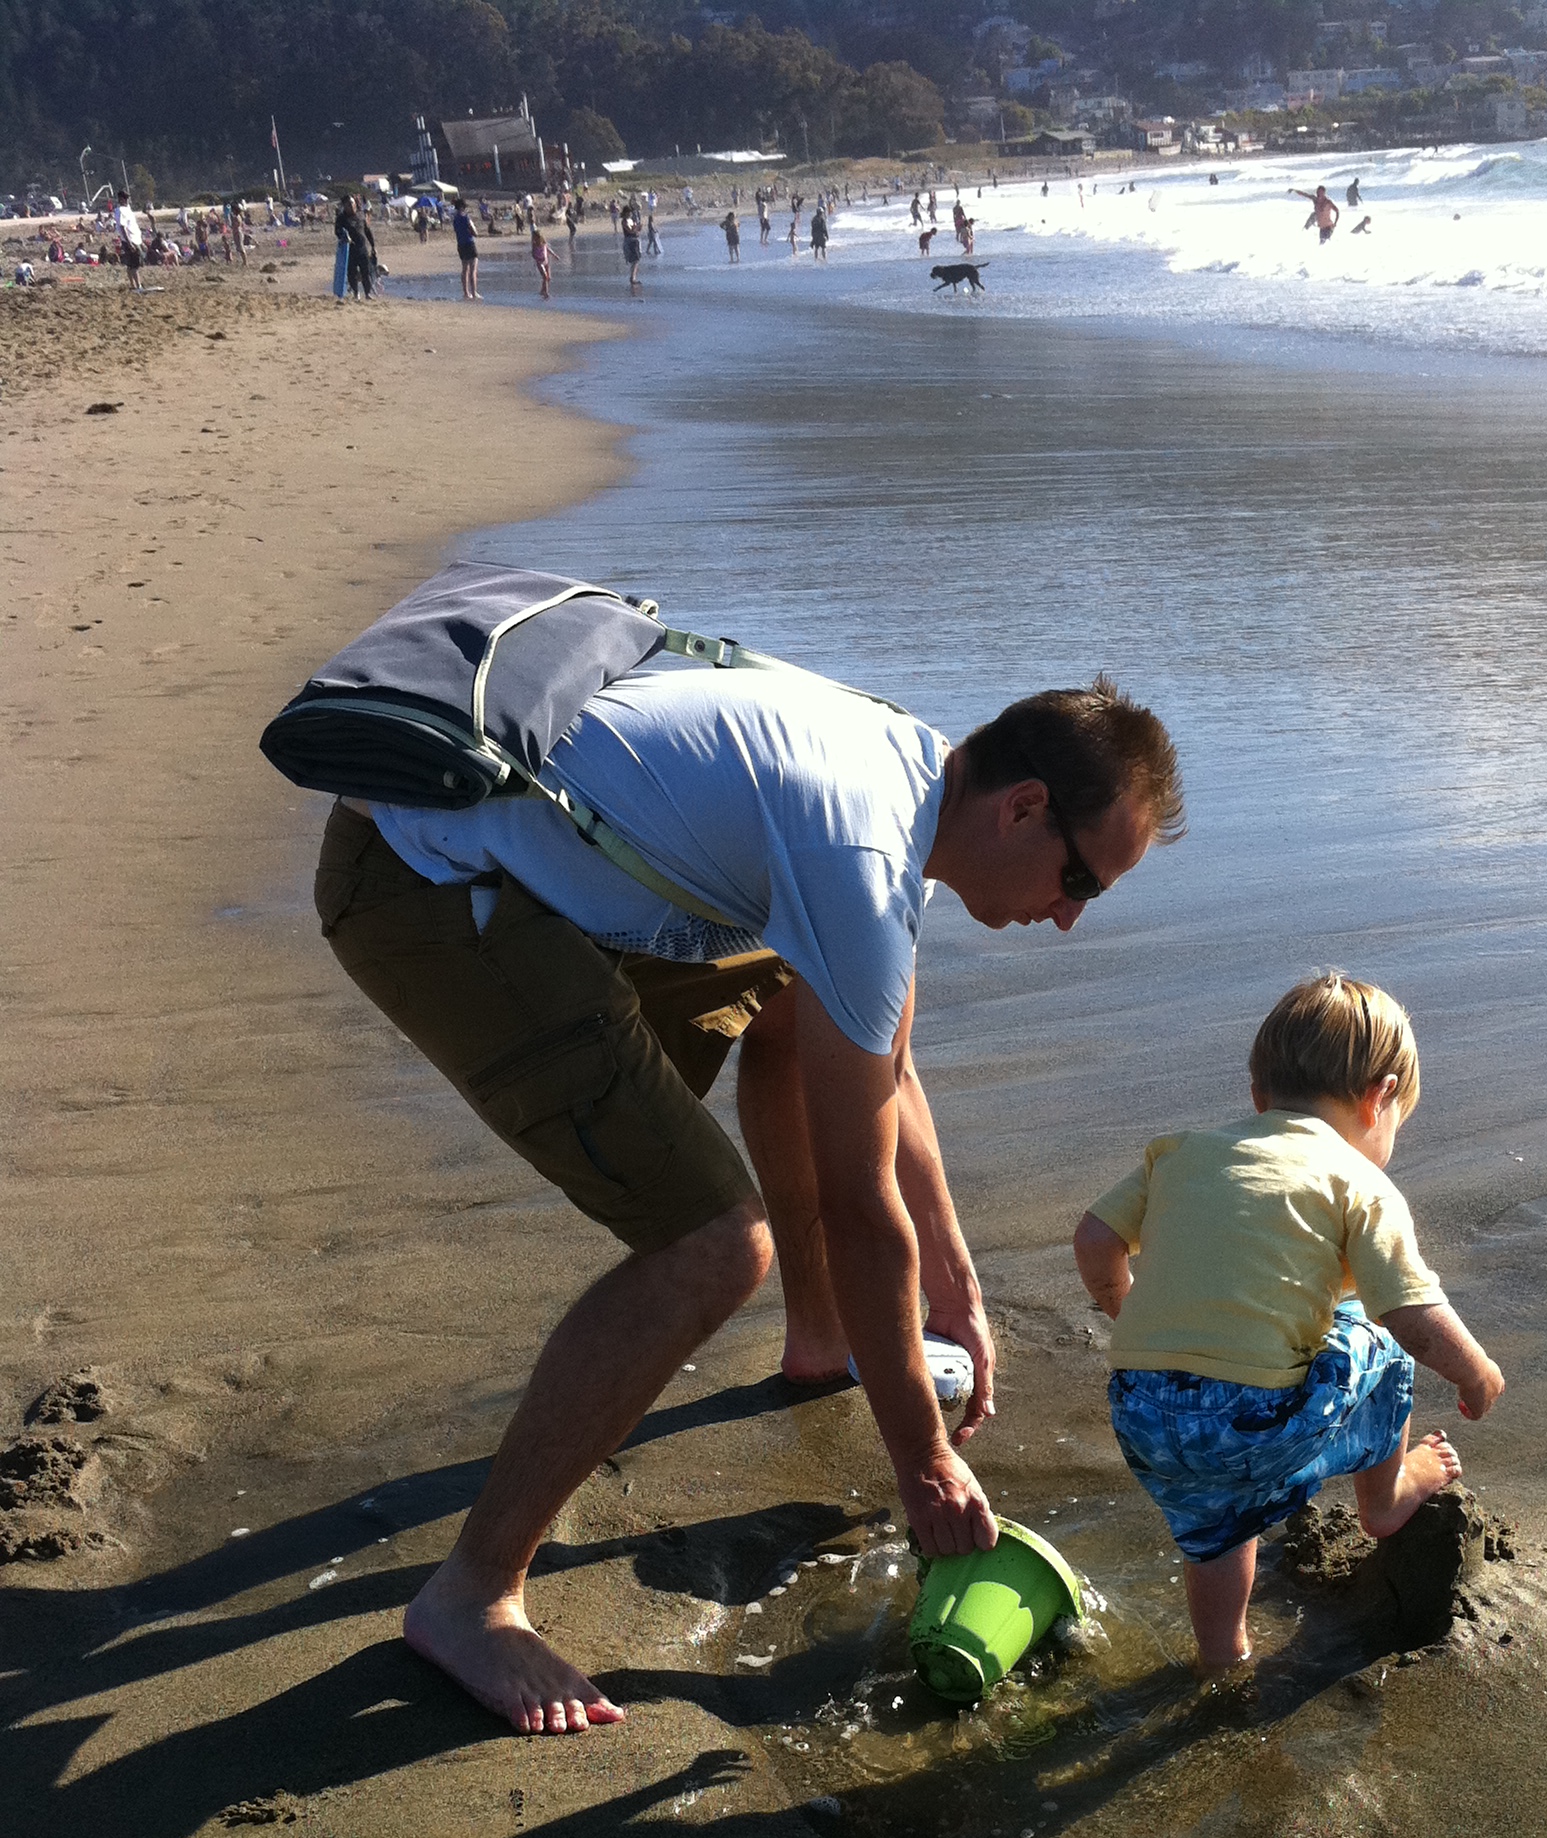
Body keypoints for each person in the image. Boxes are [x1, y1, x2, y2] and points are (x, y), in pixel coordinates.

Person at [314, 664, 1181, 1733]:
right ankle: (472, 1595)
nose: (1069, 918)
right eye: (1081, 880)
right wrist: (923, 1462)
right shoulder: (861, 863)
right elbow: (862, 1211)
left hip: (515, 850)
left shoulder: (906, 778)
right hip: (418, 877)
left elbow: (883, 1066)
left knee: (785, 1000)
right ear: (1024, 808)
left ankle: (821, 1340)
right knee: (715, 1247)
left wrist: (955, 1282)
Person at [1074, 973, 1504, 1675]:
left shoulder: (1179, 1152)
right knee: (1379, 1334)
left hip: (1142, 1409)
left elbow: (1095, 1238)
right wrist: (1477, 1374)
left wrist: (1125, 1308)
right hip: (1251, 1419)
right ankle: (1386, 1499)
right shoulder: (1359, 1182)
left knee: (1216, 1523)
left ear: (1258, 1095)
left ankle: (1223, 1655)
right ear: (1380, 1098)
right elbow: (1413, 1314)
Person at [110, 187, 145, 291]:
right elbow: (122, 227)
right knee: (134, 264)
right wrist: (129, 242)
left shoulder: (126, 209)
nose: (128, 200)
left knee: (131, 264)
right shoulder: (121, 211)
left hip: (134, 238)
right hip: (130, 240)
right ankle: (138, 285)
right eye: (126, 198)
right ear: (122, 199)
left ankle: (134, 285)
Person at [452, 194, 479, 298]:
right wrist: (474, 232)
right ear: (463, 207)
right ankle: (474, 292)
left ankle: (466, 293)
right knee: (473, 269)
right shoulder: (466, 217)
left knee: (464, 269)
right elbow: (474, 232)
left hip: (460, 244)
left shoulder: (455, 219)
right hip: (469, 243)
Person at [620, 200, 642, 291]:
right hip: (630, 240)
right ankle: (632, 278)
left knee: (636, 259)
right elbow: (629, 231)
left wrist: (637, 228)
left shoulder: (631, 220)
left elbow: (635, 229)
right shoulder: (624, 221)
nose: (630, 214)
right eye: (628, 213)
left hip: (635, 240)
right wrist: (636, 229)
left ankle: (633, 277)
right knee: (634, 260)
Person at [529, 219, 551, 298]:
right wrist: (537, 259)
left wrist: (554, 255)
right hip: (540, 262)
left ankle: (542, 290)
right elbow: (533, 254)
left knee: (548, 278)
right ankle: (546, 293)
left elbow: (547, 249)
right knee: (545, 277)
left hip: (546, 261)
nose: (535, 239)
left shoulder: (543, 243)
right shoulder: (534, 245)